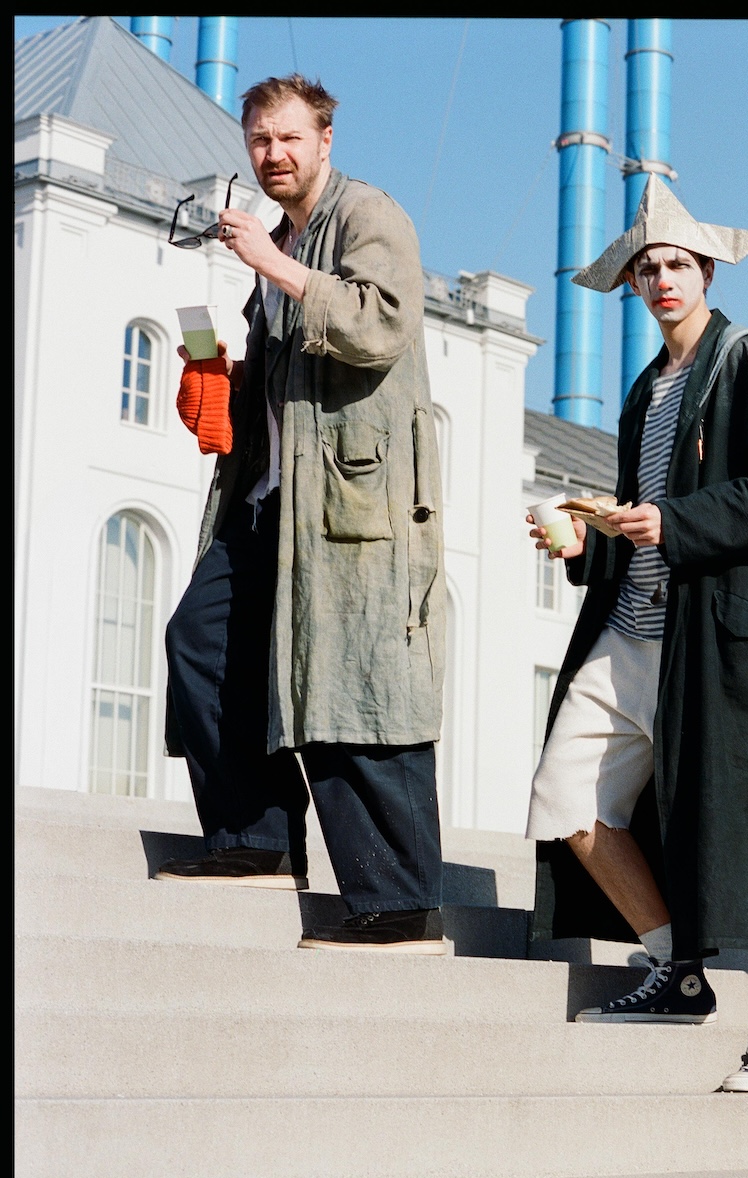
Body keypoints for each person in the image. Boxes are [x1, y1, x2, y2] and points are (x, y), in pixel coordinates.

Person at [529, 176, 748, 1093]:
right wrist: (588, 541)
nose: (662, 280)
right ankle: (675, 966)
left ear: (706, 270)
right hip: (639, 627)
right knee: (566, 793)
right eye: (647, 269)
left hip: (722, 637)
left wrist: (676, 523)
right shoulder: (646, 389)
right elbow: (642, 517)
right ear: (631, 284)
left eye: (677, 265)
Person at [157, 74, 448, 952]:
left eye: (288, 138)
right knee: (202, 641)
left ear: (325, 138)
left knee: (356, 690)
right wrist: (225, 379)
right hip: (269, 500)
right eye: (259, 141)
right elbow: (287, 381)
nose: (272, 154)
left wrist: (274, 265)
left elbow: (379, 324)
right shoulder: (280, 243)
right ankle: (253, 841)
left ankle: (400, 903)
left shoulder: (368, 217)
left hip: (353, 509)